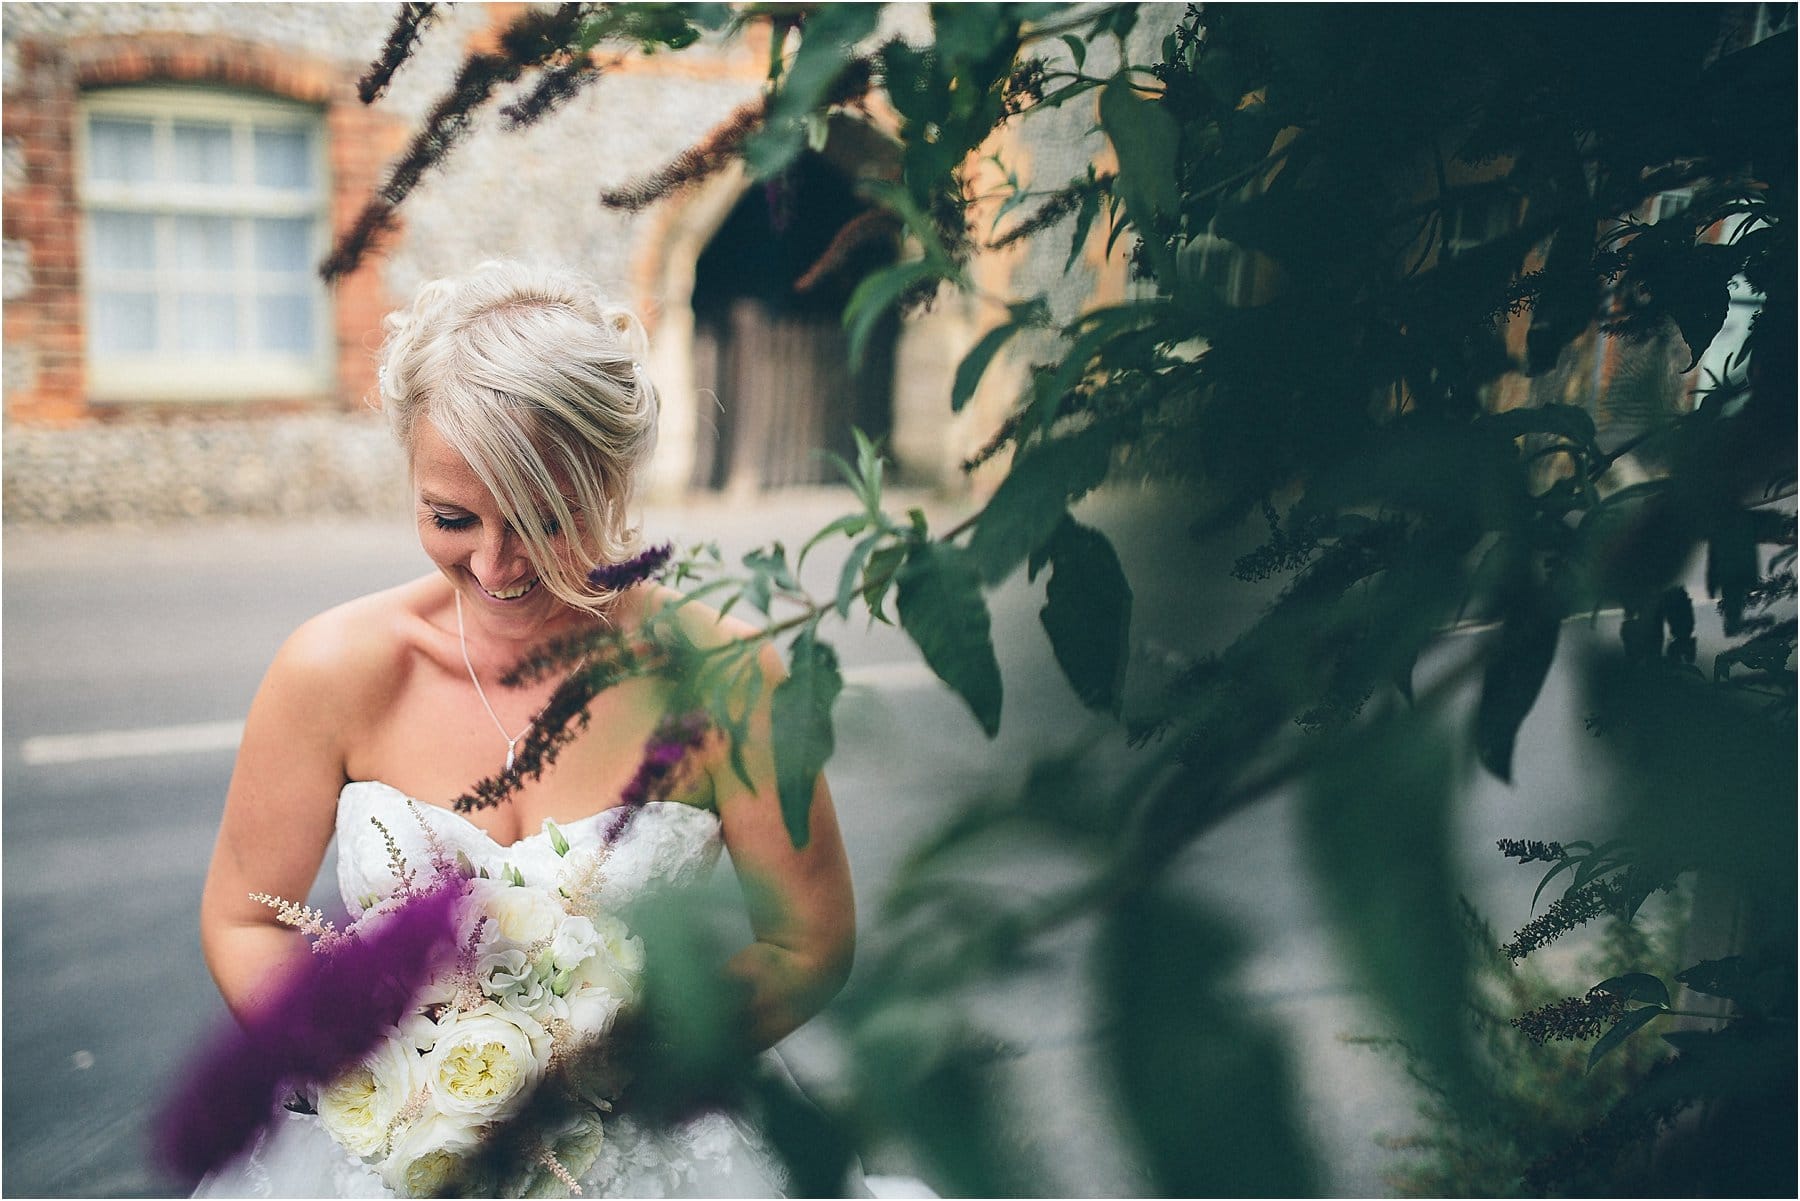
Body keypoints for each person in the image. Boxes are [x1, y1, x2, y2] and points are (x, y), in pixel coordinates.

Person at [195, 260, 861, 1197]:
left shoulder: (728, 675)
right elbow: (244, 917)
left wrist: (608, 1068)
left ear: (617, 480)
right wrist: (392, 1083)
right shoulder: (333, 670)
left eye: (549, 517)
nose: (499, 564)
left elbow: (808, 940)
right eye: (452, 516)